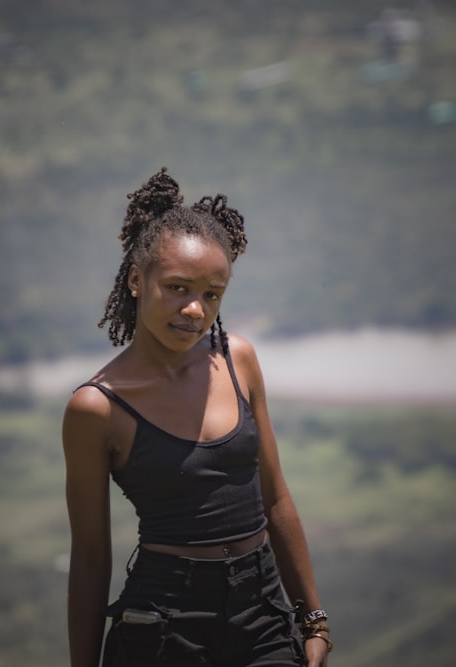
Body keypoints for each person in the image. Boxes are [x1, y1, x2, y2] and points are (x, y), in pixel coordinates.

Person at [62, 167, 330, 667]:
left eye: (211, 295)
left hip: (264, 610)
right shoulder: (96, 408)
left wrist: (312, 618)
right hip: (165, 624)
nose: (194, 310)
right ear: (136, 280)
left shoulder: (238, 360)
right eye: (178, 287)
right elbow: (91, 555)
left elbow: (274, 497)